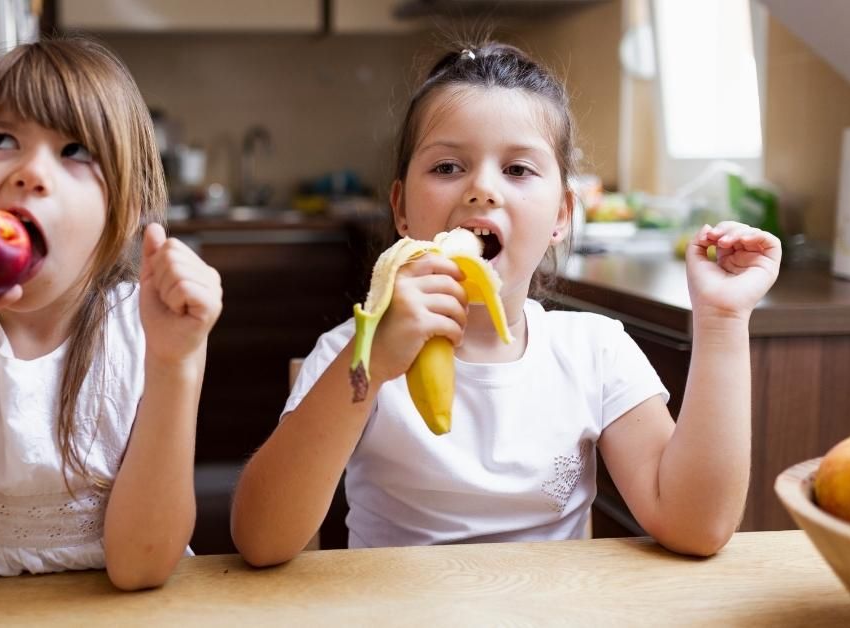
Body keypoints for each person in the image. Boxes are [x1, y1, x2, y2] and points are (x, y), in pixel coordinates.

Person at [230, 42, 781, 566]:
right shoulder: (352, 354)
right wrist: (369, 366)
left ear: (562, 214)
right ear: (401, 210)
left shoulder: (595, 353)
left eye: (517, 169)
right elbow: (261, 540)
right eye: (448, 167)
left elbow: (696, 526)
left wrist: (722, 321)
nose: (482, 189)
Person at [0, 35, 222, 595]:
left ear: (123, 210)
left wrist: (176, 365)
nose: (31, 172)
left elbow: (141, 568)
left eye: (76, 151)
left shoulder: (151, 326)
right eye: (0, 140)